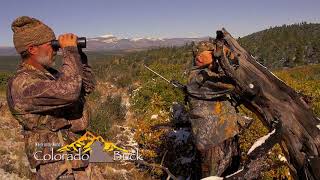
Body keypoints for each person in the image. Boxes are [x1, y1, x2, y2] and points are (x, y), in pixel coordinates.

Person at [7, 16, 95, 179]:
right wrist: (68, 51)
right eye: (52, 45)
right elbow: (70, 91)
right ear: (32, 49)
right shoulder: (23, 84)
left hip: (77, 159)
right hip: (59, 168)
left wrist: (79, 56)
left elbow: (87, 87)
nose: (56, 49)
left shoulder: (50, 75)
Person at [187, 40, 243, 177]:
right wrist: (227, 60)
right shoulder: (199, 77)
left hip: (227, 134)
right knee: (213, 176)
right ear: (199, 57)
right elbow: (232, 84)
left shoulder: (209, 72)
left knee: (232, 173)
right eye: (211, 53)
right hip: (212, 142)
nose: (215, 56)